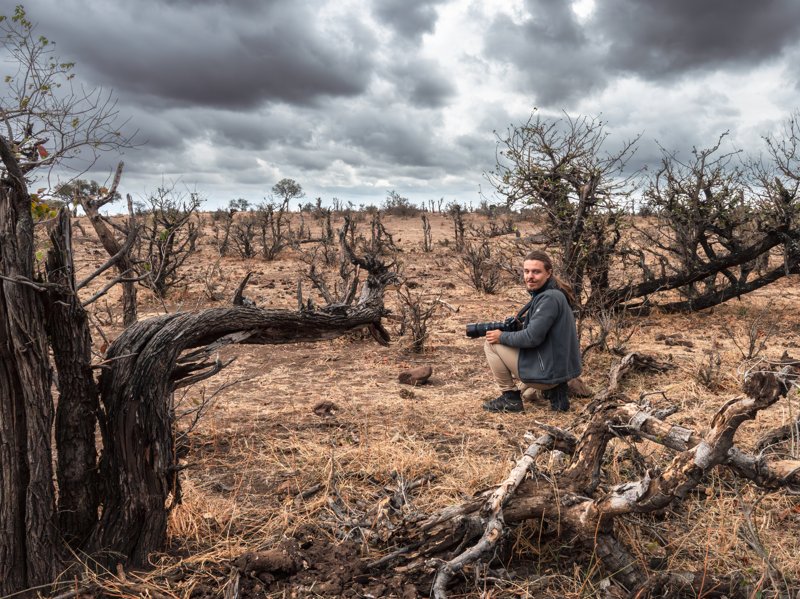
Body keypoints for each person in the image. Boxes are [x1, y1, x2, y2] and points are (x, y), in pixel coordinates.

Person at [482, 250, 581, 413]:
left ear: (548, 273)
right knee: (528, 394)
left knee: (491, 343)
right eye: (526, 271)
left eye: (536, 272)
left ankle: (510, 398)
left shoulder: (548, 298)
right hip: (561, 370)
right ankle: (556, 392)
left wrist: (502, 336)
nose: (530, 276)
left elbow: (531, 338)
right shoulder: (554, 294)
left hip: (550, 371)